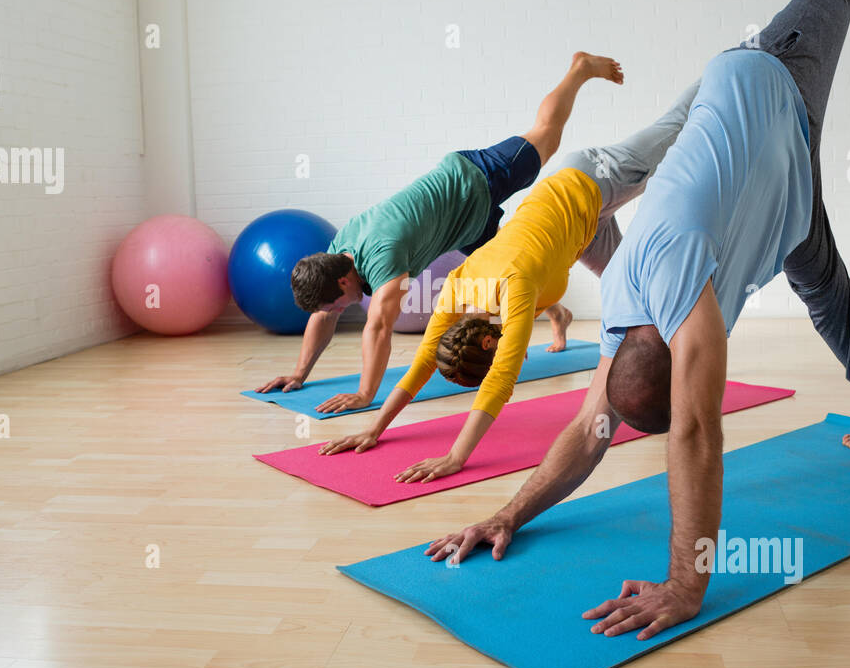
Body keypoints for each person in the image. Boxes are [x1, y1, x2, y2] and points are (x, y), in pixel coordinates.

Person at [425, 0, 850, 643]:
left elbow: (698, 431)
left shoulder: (684, 304)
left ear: (675, 351)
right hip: (789, 193)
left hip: (769, 71)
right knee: (823, 286)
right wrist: (504, 513)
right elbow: (589, 428)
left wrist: (686, 581)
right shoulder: (620, 306)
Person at [317, 78, 702, 482]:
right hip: (583, 231)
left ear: (487, 341)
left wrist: (456, 457)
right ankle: (674, 379)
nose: (495, 362)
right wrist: (374, 428)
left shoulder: (513, 291)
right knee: (636, 301)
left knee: (674, 128)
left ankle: (726, 67)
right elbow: (423, 362)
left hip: (590, 179)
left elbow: (500, 381)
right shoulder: (458, 286)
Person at [255, 52, 624, 414]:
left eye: (334, 304)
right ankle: (557, 314)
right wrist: (299, 373)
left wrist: (366, 394)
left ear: (340, 283)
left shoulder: (384, 258)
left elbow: (380, 327)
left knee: (546, 135)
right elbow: (324, 315)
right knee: (506, 280)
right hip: (464, 229)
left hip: (475, 181)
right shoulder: (337, 256)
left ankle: (579, 70)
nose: (336, 312)